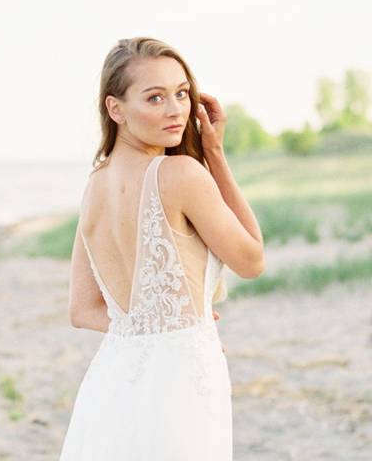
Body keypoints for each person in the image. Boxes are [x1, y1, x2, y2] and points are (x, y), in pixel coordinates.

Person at [58, 37, 265, 460]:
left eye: (181, 93)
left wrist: (168, 325)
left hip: (113, 381)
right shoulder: (181, 173)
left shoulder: (94, 186)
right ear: (115, 109)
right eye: (155, 97)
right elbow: (252, 259)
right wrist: (215, 154)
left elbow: (83, 310)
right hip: (181, 381)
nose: (176, 110)